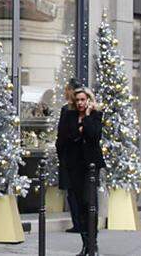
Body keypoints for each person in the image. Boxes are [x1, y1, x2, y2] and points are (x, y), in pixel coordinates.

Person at [56, 86, 103, 256]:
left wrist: (88, 117)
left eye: (83, 100)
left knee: (90, 204)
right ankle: (85, 244)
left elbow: (94, 136)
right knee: (78, 205)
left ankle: (93, 244)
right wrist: (78, 132)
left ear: (89, 100)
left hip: (90, 167)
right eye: (78, 100)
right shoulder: (69, 115)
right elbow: (63, 138)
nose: (81, 103)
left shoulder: (96, 115)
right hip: (74, 165)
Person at [54, 83, 82, 233]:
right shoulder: (78, 109)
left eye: (66, 89)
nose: (65, 92)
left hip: (70, 157)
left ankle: (78, 223)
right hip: (76, 157)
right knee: (76, 192)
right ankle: (80, 223)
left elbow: (62, 135)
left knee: (73, 192)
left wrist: (61, 153)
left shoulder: (68, 110)